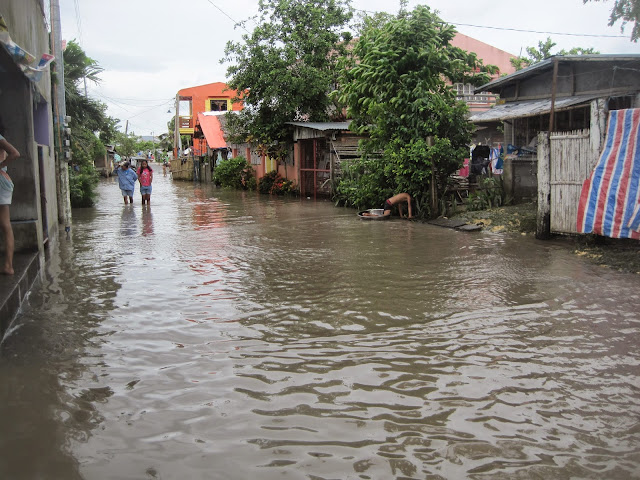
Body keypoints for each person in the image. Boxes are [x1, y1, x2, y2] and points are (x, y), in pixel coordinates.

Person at [0, 129, 21, 275]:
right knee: (5, 225)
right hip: (4, 183)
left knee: (5, 225)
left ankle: (8, 266)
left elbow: (15, 153)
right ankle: (8, 266)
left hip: (1, 182)